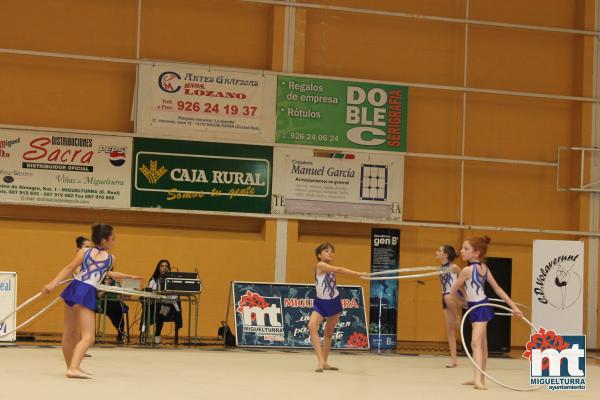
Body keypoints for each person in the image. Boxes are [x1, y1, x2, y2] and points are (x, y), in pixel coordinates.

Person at [42, 223, 142, 379]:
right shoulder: (110, 257)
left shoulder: (84, 251)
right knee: (89, 336)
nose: (114, 241)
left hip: (74, 288)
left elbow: (70, 268)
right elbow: (104, 273)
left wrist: (52, 284)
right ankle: (73, 368)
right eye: (112, 239)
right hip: (86, 291)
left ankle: (72, 367)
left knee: (70, 333)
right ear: (104, 241)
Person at [449, 236, 522, 390]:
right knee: (482, 344)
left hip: (481, 307)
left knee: (475, 343)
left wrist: (514, 307)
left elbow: (498, 289)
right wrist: (465, 302)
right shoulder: (474, 269)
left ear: (477, 253)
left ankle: (478, 379)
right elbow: (454, 292)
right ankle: (479, 377)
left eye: (466, 249)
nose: (461, 251)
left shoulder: (472, 270)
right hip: (475, 306)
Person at [308, 242, 367, 372]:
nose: (330, 252)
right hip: (320, 303)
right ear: (319, 255)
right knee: (312, 326)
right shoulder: (320, 265)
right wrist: (358, 274)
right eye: (326, 250)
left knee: (328, 332)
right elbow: (339, 269)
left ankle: (325, 362)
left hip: (334, 301)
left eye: (332, 251)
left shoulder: (328, 267)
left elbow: (337, 271)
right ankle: (320, 362)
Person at [140, 259, 182, 345]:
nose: (164, 268)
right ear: (158, 268)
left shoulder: (173, 280)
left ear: (169, 268)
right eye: (162, 266)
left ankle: (157, 334)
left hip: (169, 306)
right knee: (148, 309)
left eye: (166, 266)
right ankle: (143, 333)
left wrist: (163, 298)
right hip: (156, 304)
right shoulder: (153, 281)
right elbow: (151, 294)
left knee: (161, 310)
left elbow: (175, 296)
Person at [436, 245, 462, 368]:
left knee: (447, 296)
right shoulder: (439, 269)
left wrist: (466, 297)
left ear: (445, 254)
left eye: (439, 250)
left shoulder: (454, 267)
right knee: (449, 330)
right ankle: (454, 360)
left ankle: (458, 317)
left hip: (454, 295)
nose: (436, 252)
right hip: (445, 297)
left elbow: (465, 279)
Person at [97, 275, 129, 344]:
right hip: (105, 302)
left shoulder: (116, 283)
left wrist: (119, 291)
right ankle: (121, 332)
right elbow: (99, 295)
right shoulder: (99, 282)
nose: (108, 279)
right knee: (111, 311)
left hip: (115, 302)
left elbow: (119, 296)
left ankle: (120, 333)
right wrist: (106, 288)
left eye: (109, 278)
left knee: (120, 312)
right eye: (106, 278)